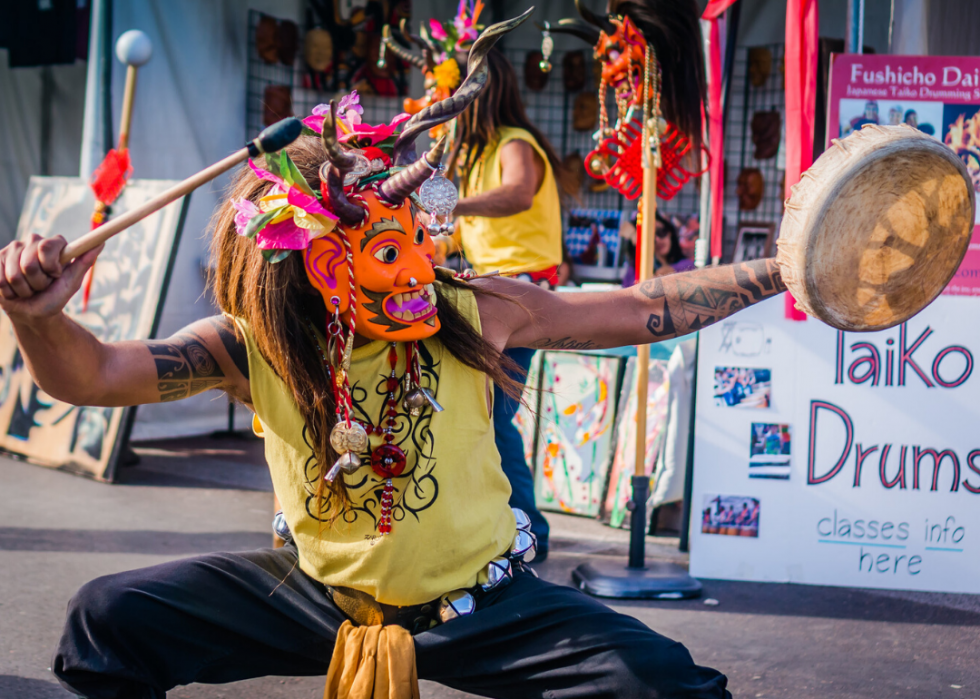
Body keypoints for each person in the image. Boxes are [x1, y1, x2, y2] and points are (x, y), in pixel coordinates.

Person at [0, 75, 790, 698]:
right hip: (317, 594)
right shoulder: (258, 346)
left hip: (485, 606)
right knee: (106, 621)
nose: (415, 265)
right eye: (382, 248)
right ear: (309, 266)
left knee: (664, 682)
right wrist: (38, 318)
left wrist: (781, 271)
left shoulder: (478, 309)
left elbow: (638, 307)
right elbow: (94, 374)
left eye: (411, 235)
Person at [449, 47, 576, 560]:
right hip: (490, 293)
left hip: (518, 297)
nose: (448, 104)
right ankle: (505, 526)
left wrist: (449, 201)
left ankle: (530, 534)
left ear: (478, 92)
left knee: (494, 416)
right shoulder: (476, 154)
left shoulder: (514, 143)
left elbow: (520, 194)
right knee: (479, 414)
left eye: (456, 93)